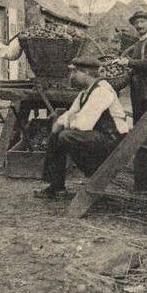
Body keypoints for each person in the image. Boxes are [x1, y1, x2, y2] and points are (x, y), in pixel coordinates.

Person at [35, 56, 129, 199]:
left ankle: (93, 171)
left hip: (113, 141)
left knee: (66, 135)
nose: (72, 76)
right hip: (100, 137)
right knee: (57, 133)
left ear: (86, 73)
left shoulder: (102, 91)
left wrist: (64, 122)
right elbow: (71, 113)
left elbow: (83, 125)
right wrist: (61, 122)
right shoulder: (85, 92)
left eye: (75, 72)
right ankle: (56, 186)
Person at [114, 10, 147, 124]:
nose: (139, 26)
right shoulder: (139, 43)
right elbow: (136, 65)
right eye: (136, 23)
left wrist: (127, 62)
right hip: (137, 90)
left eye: (142, 22)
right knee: (138, 124)